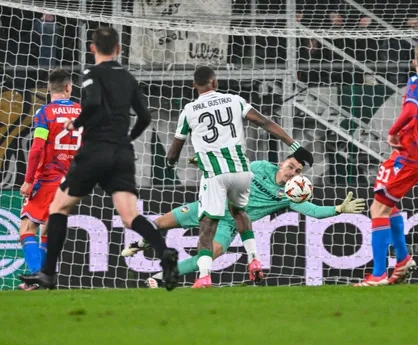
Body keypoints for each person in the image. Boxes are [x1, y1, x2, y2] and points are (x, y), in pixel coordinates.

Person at [19, 26, 179, 291]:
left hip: (94, 152)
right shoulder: (128, 77)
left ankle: (47, 274)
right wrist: (128, 140)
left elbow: (92, 103)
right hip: (122, 153)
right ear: (118, 48)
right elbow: (146, 117)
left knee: (58, 209)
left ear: (92, 49)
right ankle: (164, 253)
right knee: (131, 217)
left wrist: (75, 124)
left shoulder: (92, 73)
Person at [166, 66, 314, 288]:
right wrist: (293, 144)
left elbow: (176, 147)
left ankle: (204, 276)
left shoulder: (188, 110)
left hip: (215, 175)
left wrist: (170, 162)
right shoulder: (234, 100)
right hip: (241, 171)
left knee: (207, 224)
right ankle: (254, 260)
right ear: (215, 83)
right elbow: (263, 122)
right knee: (240, 213)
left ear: (193, 86)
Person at [122, 155, 365, 288]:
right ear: (282, 163)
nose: (291, 172)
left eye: (297, 171)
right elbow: (233, 171)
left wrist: (338, 209)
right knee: (160, 223)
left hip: (229, 224)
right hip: (209, 205)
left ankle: (160, 279)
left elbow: (313, 211)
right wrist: (207, 164)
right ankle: (142, 244)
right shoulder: (259, 167)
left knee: (208, 256)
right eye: (290, 166)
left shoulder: (291, 195)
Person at [355, 40, 418, 287]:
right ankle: (402, 260)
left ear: (415, 62)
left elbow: (411, 111)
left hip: (409, 153)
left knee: (377, 209)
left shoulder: (416, 82)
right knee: (386, 204)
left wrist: (392, 132)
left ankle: (378, 274)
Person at [18, 69, 81, 291]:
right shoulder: (81, 111)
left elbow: (36, 149)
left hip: (47, 178)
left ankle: (38, 274)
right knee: (47, 229)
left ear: (48, 88)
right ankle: (42, 277)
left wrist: (27, 180)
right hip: (72, 180)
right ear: (68, 87)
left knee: (27, 227)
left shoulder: (44, 113)